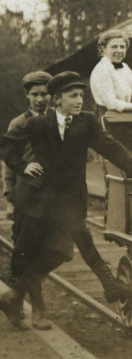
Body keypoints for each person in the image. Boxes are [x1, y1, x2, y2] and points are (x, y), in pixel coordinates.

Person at [0, 71, 132, 330]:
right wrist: (24, 165)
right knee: (66, 243)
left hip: (68, 200)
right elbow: (7, 145)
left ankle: (13, 295)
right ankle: (109, 285)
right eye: (73, 96)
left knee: (62, 252)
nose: (79, 100)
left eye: (81, 95)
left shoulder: (87, 122)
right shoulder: (38, 124)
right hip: (37, 200)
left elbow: (111, 147)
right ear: (57, 100)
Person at [1, 71, 52, 321]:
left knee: (48, 250)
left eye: (45, 94)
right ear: (27, 95)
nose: (40, 99)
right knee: (24, 252)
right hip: (25, 196)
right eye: (35, 94)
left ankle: (16, 298)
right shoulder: (18, 124)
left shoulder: (59, 120)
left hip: (52, 198)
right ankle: (35, 306)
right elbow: (9, 164)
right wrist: (10, 198)